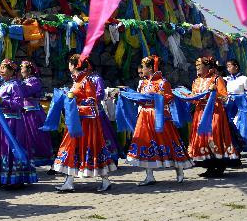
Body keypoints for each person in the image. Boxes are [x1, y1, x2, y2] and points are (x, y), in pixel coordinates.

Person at [54, 55, 116, 192]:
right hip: (76, 121)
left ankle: (105, 180)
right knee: (71, 149)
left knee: (91, 149)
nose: (68, 66)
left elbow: (92, 102)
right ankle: (69, 182)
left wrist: (75, 103)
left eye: (70, 63)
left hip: (86, 123)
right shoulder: (77, 81)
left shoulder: (85, 81)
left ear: (75, 65)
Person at [126, 56, 192, 185]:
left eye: (143, 67)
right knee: (146, 144)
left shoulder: (162, 82)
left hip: (160, 117)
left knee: (168, 142)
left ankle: (179, 170)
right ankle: (149, 176)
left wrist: (157, 97)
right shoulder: (144, 83)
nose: (142, 69)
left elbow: (169, 98)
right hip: (144, 117)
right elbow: (140, 98)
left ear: (150, 68)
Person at [0, 59, 38, 188]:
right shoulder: (3, 85)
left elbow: (18, 104)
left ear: (12, 71)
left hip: (11, 122)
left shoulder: (15, 85)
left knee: (10, 148)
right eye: (0, 67)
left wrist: (2, 100)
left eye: (4, 68)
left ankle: (16, 178)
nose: (1, 70)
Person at [186, 56, 241, 177]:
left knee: (214, 137)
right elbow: (194, 97)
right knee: (203, 139)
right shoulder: (196, 81)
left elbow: (224, 97)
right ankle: (209, 166)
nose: (197, 68)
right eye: (196, 66)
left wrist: (214, 92)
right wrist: (188, 97)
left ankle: (220, 165)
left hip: (214, 113)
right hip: (200, 112)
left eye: (199, 66)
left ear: (207, 66)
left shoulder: (216, 79)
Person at [19, 60, 53, 169]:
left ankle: (48, 161)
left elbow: (26, 92)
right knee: (26, 137)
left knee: (37, 136)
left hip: (33, 114)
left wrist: (16, 84)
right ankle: (28, 162)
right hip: (24, 113)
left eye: (22, 67)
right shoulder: (22, 81)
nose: (21, 69)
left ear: (29, 70)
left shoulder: (34, 81)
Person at [223, 59, 247, 153]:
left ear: (236, 67)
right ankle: (234, 150)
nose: (228, 68)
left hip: (240, 107)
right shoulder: (226, 79)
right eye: (227, 66)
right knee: (229, 127)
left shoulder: (244, 79)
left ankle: (243, 148)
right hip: (229, 107)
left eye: (230, 66)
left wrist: (236, 98)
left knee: (240, 127)